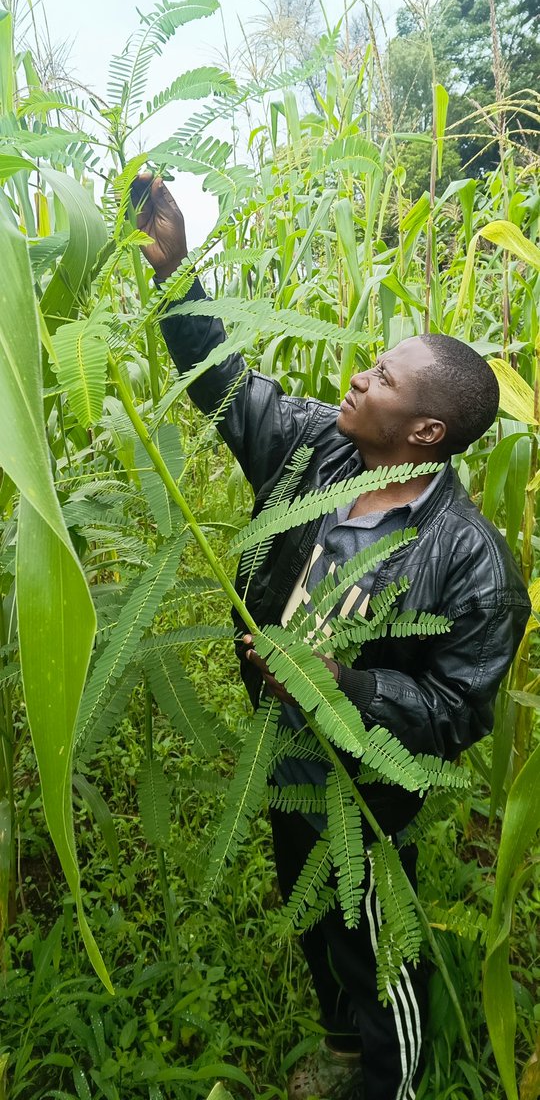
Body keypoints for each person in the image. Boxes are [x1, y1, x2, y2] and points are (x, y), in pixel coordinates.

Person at [132, 175, 530, 1100]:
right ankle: (342, 1045)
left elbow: (454, 711)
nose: (358, 377)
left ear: (425, 430)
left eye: (383, 378)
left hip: (368, 783)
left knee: (373, 935)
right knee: (311, 900)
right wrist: (176, 274)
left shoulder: (473, 565)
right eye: (371, 366)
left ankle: (391, 1075)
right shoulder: (318, 448)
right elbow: (229, 386)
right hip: (284, 748)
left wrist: (342, 688)